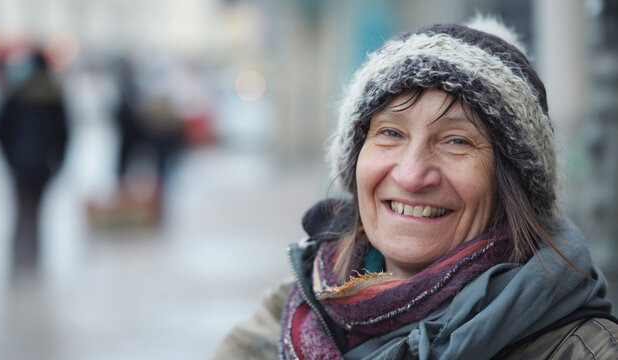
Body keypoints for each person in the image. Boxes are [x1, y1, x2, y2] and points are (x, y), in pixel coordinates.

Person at [213, 18, 618, 359]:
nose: (411, 175)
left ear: (512, 183)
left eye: (457, 141)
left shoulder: (581, 349)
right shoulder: (291, 311)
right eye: (390, 132)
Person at [0, 49, 70, 273]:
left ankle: (18, 258)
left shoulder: (17, 93)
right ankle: (34, 258)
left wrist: (9, 158)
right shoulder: (54, 95)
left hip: (19, 163)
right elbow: (63, 134)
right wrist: (58, 162)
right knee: (35, 212)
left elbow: (1, 129)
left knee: (21, 210)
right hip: (43, 165)